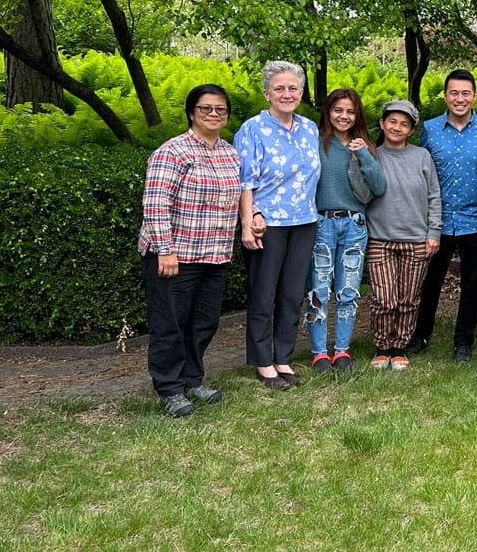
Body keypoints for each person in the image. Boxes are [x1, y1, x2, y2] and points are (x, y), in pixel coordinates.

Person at [139, 84, 242, 417]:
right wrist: (165, 250)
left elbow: (238, 197)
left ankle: (192, 380)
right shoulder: (172, 152)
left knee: (203, 323)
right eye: (206, 108)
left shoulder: (229, 152)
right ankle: (169, 389)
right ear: (191, 112)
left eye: (220, 110)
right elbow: (155, 204)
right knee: (170, 323)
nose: (214, 114)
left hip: (215, 254)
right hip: (176, 256)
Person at [236, 61, 321, 390]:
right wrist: (248, 220)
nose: (287, 94)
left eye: (293, 88)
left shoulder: (309, 128)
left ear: (300, 92)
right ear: (266, 93)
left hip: (305, 221)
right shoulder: (253, 129)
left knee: (290, 295)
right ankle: (262, 361)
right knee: (263, 294)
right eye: (279, 88)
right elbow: (245, 181)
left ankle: (283, 357)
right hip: (267, 225)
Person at [411, 69, 477, 361]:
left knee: (472, 283)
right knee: (431, 280)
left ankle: (463, 341)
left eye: (465, 93)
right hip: (438, 220)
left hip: (475, 220)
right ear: (445, 96)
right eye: (453, 93)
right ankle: (421, 335)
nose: (459, 99)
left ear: (474, 96)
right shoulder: (431, 129)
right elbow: (420, 170)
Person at [305, 88, 386, 373]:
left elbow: (379, 187)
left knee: (348, 289)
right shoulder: (314, 144)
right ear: (328, 112)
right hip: (322, 222)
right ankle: (318, 353)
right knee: (319, 288)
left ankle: (341, 351)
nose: (344, 116)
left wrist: (363, 153)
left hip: (354, 224)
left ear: (358, 115)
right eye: (338, 110)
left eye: (350, 111)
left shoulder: (363, 145)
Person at [365, 99, 442, 371]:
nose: (397, 127)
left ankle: (400, 347)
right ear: (382, 124)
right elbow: (361, 191)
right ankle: (382, 346)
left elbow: (434, 195)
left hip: (416, 239)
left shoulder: (421, 156)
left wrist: (434, 232)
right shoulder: (371, 154)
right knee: (384, 298)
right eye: (392, 121)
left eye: (404, 124)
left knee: (408, 298)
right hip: (380, 238)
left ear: (411, 130)